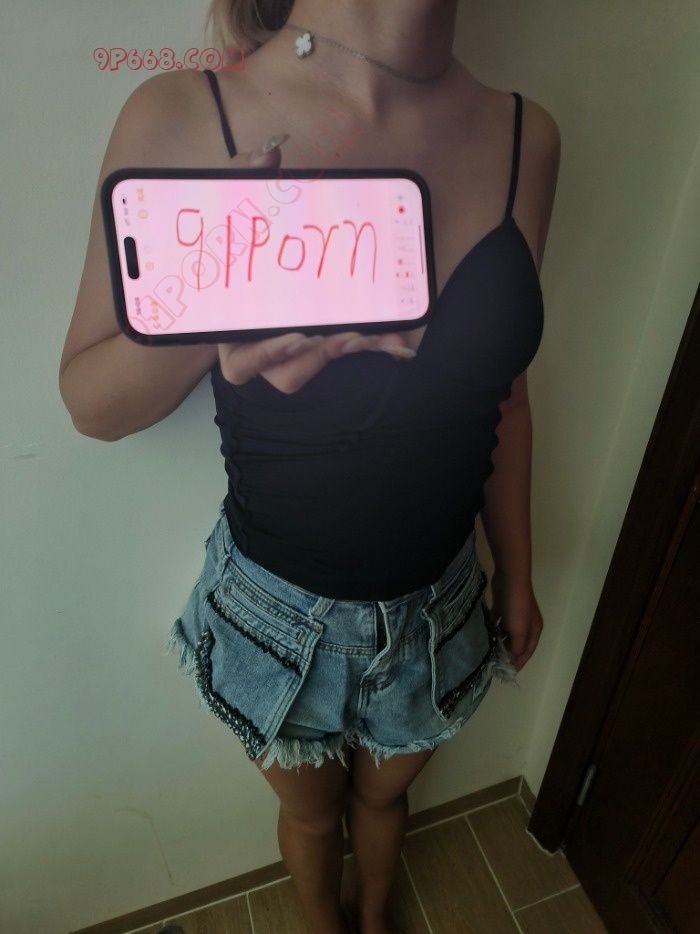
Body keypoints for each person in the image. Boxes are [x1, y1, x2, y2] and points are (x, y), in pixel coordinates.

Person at [59, 1, 558, 931]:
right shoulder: (186, 114)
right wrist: (219, 285)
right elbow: (91, 403)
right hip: (274, 614)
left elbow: (508, 394)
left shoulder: (529, 136)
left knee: (387, 799)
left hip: (444, 604)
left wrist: (518, 574)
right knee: (311, 812)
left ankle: (374, 917)